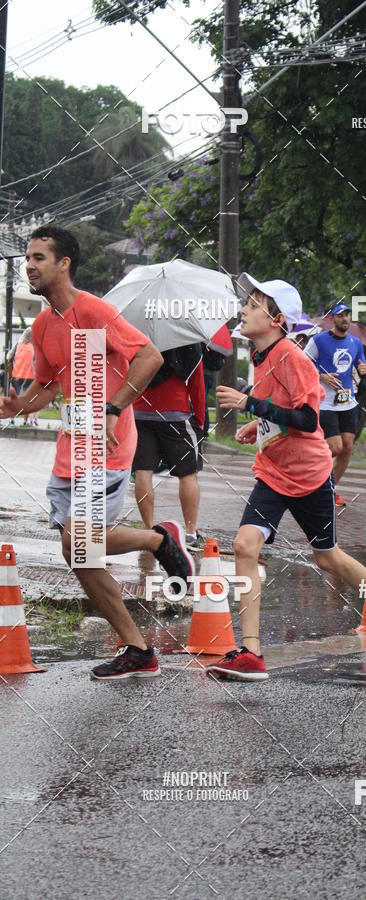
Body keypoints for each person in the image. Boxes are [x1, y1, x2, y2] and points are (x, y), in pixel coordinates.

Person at [0, 225, 194, 680]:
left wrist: (113, 407)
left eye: (39, 258)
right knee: (79, 556)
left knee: (78, 541)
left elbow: (149, 357)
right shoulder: (43, 325)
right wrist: (17, 406)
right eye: (28, 258)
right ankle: (138, 649)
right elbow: (48, 386)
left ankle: (159, 539)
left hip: (107, 445)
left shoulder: (93, 311)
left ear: (64, 263)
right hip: (69, 450)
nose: (30, 265)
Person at [206, 273, 366, 681]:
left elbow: (307, 418)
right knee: (245, 546)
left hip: (309, 475)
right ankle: (251, 653)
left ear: (277, 319)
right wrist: (259, 424)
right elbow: (281, 408)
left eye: (254, 304)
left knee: (327, 557)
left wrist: (250, 405)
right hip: (272, 472)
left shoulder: (293, 357)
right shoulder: (260, 355)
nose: (244, 309)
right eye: (247, 302)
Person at [132, 344, 205, 546]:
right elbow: (197, 383)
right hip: (175, 414)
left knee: (142, 472)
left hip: (140, 413)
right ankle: (190, 533)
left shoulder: (139, 339)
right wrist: (200, 418)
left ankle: (149, 532)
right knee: (187, 474)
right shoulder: (187, 340)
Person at [304, 303, 366, 506]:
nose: (345, 318)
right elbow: (302, 365)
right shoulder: (318, 340)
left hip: (347, 401)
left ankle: (329, 490)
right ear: (331, 319)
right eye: (340, 315)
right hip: (325, 403)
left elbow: (360, 363)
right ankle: (309, 470)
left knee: (347, 448)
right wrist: (321, 376)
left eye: (347, 315)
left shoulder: (356, 342)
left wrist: (363, 368)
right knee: (336, 447)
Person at [8, 328, 37, 425]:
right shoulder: (35, 346)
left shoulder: (17, 345)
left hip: (16, 376)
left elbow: (9, 356)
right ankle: (25, 422)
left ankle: (11, 420)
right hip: (30, 377)